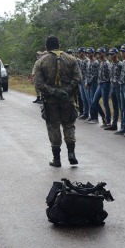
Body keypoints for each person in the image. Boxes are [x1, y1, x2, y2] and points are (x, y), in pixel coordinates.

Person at [34, 36, 82, 167]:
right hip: (68, 99)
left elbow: (39, 83)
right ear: (59, 45)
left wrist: (54, 91)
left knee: (54, 127)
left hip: (51, 101)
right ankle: (71, 153)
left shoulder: (41, 62)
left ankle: (57, 159)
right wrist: (67, 89)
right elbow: (78, 78)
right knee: (69, 125)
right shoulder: (72, 59)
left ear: (46, 47)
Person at [89, 47, 109, 126]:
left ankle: (107, 121)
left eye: (100, 53)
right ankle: (103, 116)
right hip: (100, 84)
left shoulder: (107, 63)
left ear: (104, 54)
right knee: (94, 101)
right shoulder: (101, 63)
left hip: (105, 84)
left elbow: (110, 75)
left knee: (105, 103)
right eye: (98, 53)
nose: (99, 55)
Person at [105, 47, 122, 131]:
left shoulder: (120, 64)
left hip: (118, 86)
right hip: (112, 86)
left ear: (116, 54)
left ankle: (123, 126)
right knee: (115, 107)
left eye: (113, 54)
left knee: (121, 107)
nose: (111, 56)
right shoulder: (111, 64)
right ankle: (114, 124)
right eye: (110, 54)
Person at [84, 47, 99, 122]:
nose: (88, 54)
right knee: (89, 100)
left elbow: (95, 75)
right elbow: (87, 73)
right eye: (87, 53)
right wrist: (86, 82)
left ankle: (95, 117)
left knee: (93, 100)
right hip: (88, 83)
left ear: (93, 53)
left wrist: (89, 82)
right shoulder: (88, 62)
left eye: (90, 53)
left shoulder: (96, 62)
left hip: (93, 83)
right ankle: (91, 115)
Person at [76, 47, 89, 118]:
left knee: (87, 98)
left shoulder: (87, 61)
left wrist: (87, 81)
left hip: (85, 80)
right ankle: (85, 112)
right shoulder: (79, 61)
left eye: (80, 52)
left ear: (83, 53)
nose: (79, 54)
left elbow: (88, 72)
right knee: (82, 98)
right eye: (79, 52)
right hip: (80, 80)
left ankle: (88, 113)